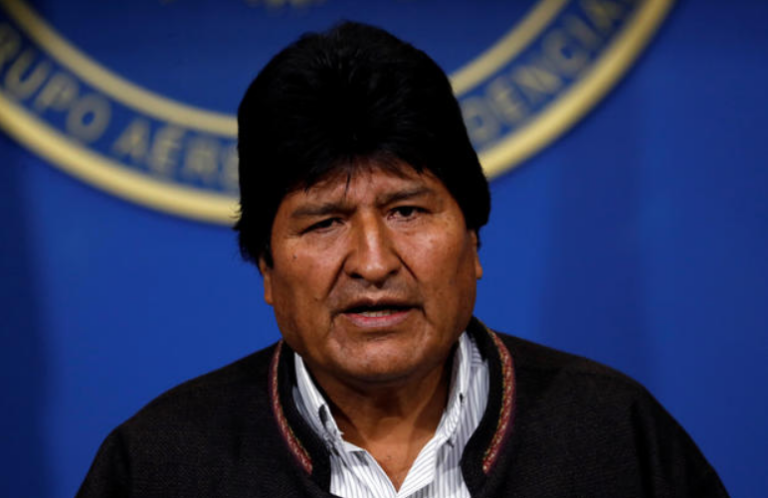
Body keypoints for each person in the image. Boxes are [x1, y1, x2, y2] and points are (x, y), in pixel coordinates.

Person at [77, 22, 728, 497]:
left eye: (407, 212)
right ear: (266, 269)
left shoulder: (614, 438)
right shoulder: (162, 466)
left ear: (473, 240)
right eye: (326, 221)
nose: (372, 261)